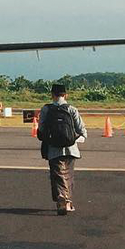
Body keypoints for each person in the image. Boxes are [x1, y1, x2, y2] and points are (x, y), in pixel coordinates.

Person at [37, 83, 87, 215]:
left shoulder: (46, 109)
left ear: (52, 95)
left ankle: (61, 198)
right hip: (71, 148)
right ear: (65, 95)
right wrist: (73, 139)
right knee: (69, 175)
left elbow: (41, 129)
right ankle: (68, 202)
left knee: (58, 175)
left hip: (53, 148)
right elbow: (82, 132)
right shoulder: (72, 109)